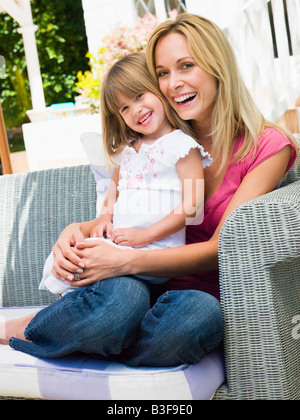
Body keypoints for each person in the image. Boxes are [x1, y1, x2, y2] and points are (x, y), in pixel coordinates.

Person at [1, 14, 298, 368]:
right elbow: (117, 212)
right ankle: (79, 330)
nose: (173, 83)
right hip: (130, 286)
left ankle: (79, 332)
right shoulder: (151, 143)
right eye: (162, 73)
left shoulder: (268, 146)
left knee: (195, 319)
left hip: (190, 295)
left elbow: (219, 248)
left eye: (186, 65)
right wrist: (74, 232)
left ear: (218, 66)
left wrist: (127, 258)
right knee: (119, 303)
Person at [39, 53, 211, 296]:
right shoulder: (127, 151)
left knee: (88, 261)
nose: (136, 110)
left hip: (157, 250)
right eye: (124, 108)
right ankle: (76, 304)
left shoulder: (182, 146)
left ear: (157, 90)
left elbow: (192, 207)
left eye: (139, 96)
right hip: (121, 245)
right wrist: (104, 220)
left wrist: (145, 235)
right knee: (72, 256)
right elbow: (113, 192)